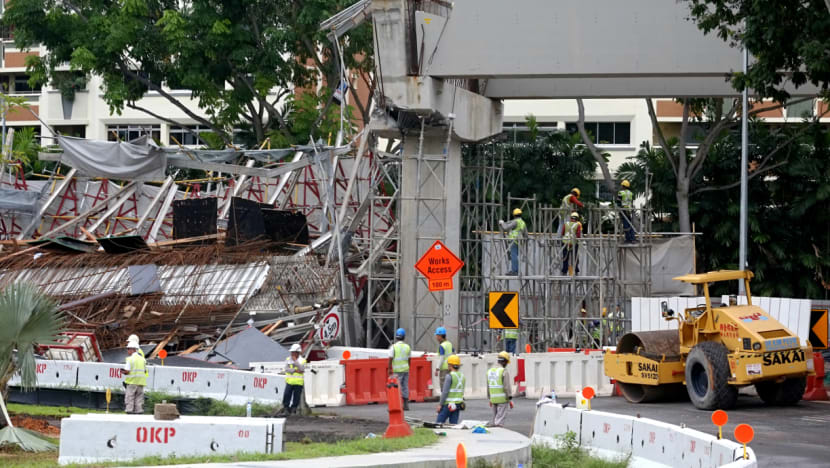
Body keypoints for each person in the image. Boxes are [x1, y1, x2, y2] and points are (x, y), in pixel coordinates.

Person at [436, 355, 465, 424]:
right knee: (453, 424)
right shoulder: (462, 376)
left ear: (450, 365)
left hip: (448, 405)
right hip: (458, 404)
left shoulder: (449, 376)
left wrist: (440, 404)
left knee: (438, 423)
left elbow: (445, 392)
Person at [486, 352, 513, 427]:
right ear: (504, 361)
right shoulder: (503, 371)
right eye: (507, 362)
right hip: (502, 399)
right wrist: (509, 398)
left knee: (495, 419)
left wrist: (490, 398)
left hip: (493, 399)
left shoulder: (490, 371)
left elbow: (488, 386)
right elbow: (506, 386)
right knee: (499, 421)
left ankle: (494, 434)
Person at [498, 208, 528, 276]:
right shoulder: (523, 222)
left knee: (513, 255)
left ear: (514, 215)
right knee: (515, 255)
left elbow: (506, 228)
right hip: (519, 241)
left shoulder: (515, 222)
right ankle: (515, 270)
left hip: (513, 240)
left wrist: (502, 223)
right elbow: (526, 235)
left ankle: (515, 271)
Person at [122, 337, 147, 414]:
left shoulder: (130, 359)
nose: (127, 351)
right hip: (141, 382)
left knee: (130, 397)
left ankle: (129, 411)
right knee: (139, 398)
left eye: (128, 349)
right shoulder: (143, 359)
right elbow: (145, 370)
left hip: (132, 382)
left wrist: (122, 371)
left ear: (133, 349)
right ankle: (139, 411)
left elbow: (127, 371)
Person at [388, 328, 411, 410]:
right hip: (405, 369)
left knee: (396, 387)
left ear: (396, 337)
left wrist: (389, 368)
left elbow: (390, 358)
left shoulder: (393, 347)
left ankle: (396, 404)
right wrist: (408, 367)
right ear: (404, 337)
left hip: (397, 370)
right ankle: (406, 404)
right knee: (405, 386)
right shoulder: (407, 347)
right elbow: (409, 359)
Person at [283, 343, 306, 415]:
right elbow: (286, 369)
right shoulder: (288, 359)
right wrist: (295, 370)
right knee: (287, 395)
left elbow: (302, 369)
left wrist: (296, 361)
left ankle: (293, 410)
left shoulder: (303, 360)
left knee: (296, 397)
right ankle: (286, 409)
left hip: (298, 382)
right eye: (291, 352)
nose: (292, 353)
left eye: (293, 352)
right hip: (289, 381)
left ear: (297, 352)